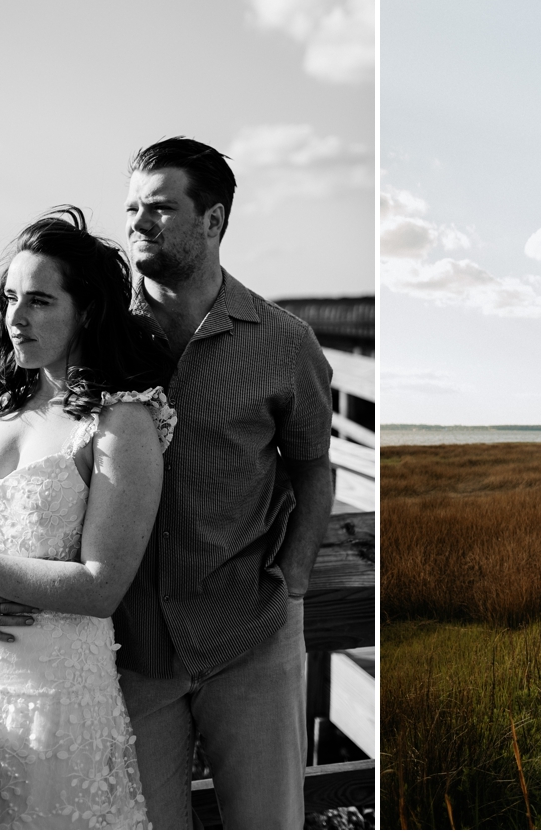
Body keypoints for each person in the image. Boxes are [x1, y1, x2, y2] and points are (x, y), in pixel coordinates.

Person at [0, 207, 175, 828]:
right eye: (9, 300)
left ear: (87, 310)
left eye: (40, 301)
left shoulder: (122, 422)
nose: (16, 319)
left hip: (51, 699)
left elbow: (102, 584)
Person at [111, 136, 335, 829]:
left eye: (158, 209)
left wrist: (293, 586)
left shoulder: (282, 341)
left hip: (251, 632)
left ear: (213, 221)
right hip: (130, 647)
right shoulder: (101, 339)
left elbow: (312, 465)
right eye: (131, 210)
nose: (137, 225)